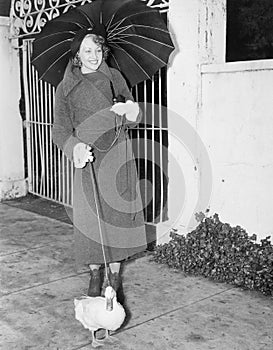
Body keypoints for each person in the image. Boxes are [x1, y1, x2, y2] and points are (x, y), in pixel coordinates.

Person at [52, 26, 147, 303]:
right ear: (77, 55)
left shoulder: (115, 76)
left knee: (116, 217)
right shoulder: (66, 87)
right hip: (88, 159)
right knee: (91, 221)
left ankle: (115, 280)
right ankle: (95, 274)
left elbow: (135, 116)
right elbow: (59, 131)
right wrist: (75, 148)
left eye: (98, 49)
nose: (94, 56)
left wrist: (131, 111)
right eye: (87, 50)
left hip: (118, 154)